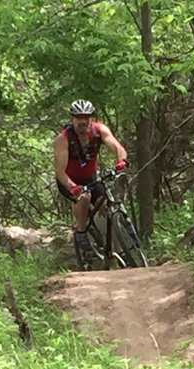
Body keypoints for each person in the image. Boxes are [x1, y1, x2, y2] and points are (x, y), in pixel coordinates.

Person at [53, 99, 128, 257]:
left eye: (86, 117)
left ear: (91, 118)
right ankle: (81, 231)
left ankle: (120, 253)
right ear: (72, 119)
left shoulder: (99, 130)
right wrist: (72, 186)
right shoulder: (63, 139)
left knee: (109, 209)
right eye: (79, 117)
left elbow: (117, 147)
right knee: (84, 198)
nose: (83, 121)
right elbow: (60, 172)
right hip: (68, 181)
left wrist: (121, 160)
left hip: (90, 178)